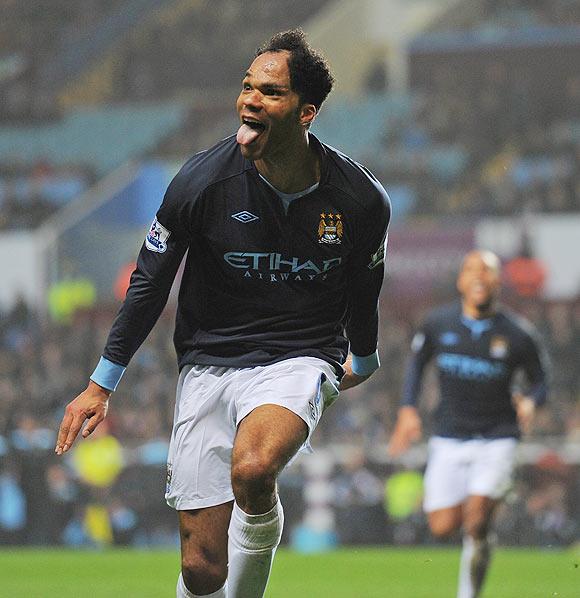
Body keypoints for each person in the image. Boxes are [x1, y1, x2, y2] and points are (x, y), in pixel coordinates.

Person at [55, 29, 390, 598]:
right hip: (209, 363)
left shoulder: (359, 200)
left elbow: (365, 283)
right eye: (246, 88)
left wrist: (363, 355)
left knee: (255, 469)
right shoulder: (200, 181)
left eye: (270, 92)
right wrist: (100, 384)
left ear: (306, 112)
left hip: (299, 356)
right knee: (201, 570)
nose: (250, 101)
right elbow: (150, 282)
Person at [388, 249, 549, 598]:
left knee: (476, 521)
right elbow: (416, 367)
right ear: (461, 281)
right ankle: (482, 516)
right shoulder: (437, 324)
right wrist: (408, 410)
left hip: (498, 437)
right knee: (442, 526)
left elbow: (541, 380)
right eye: (472, 269)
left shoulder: (519, 334)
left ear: (497, 281)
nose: (479, 276)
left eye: (487, 270)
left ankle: (469, 589)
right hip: (449, 436)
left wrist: (531, 402)